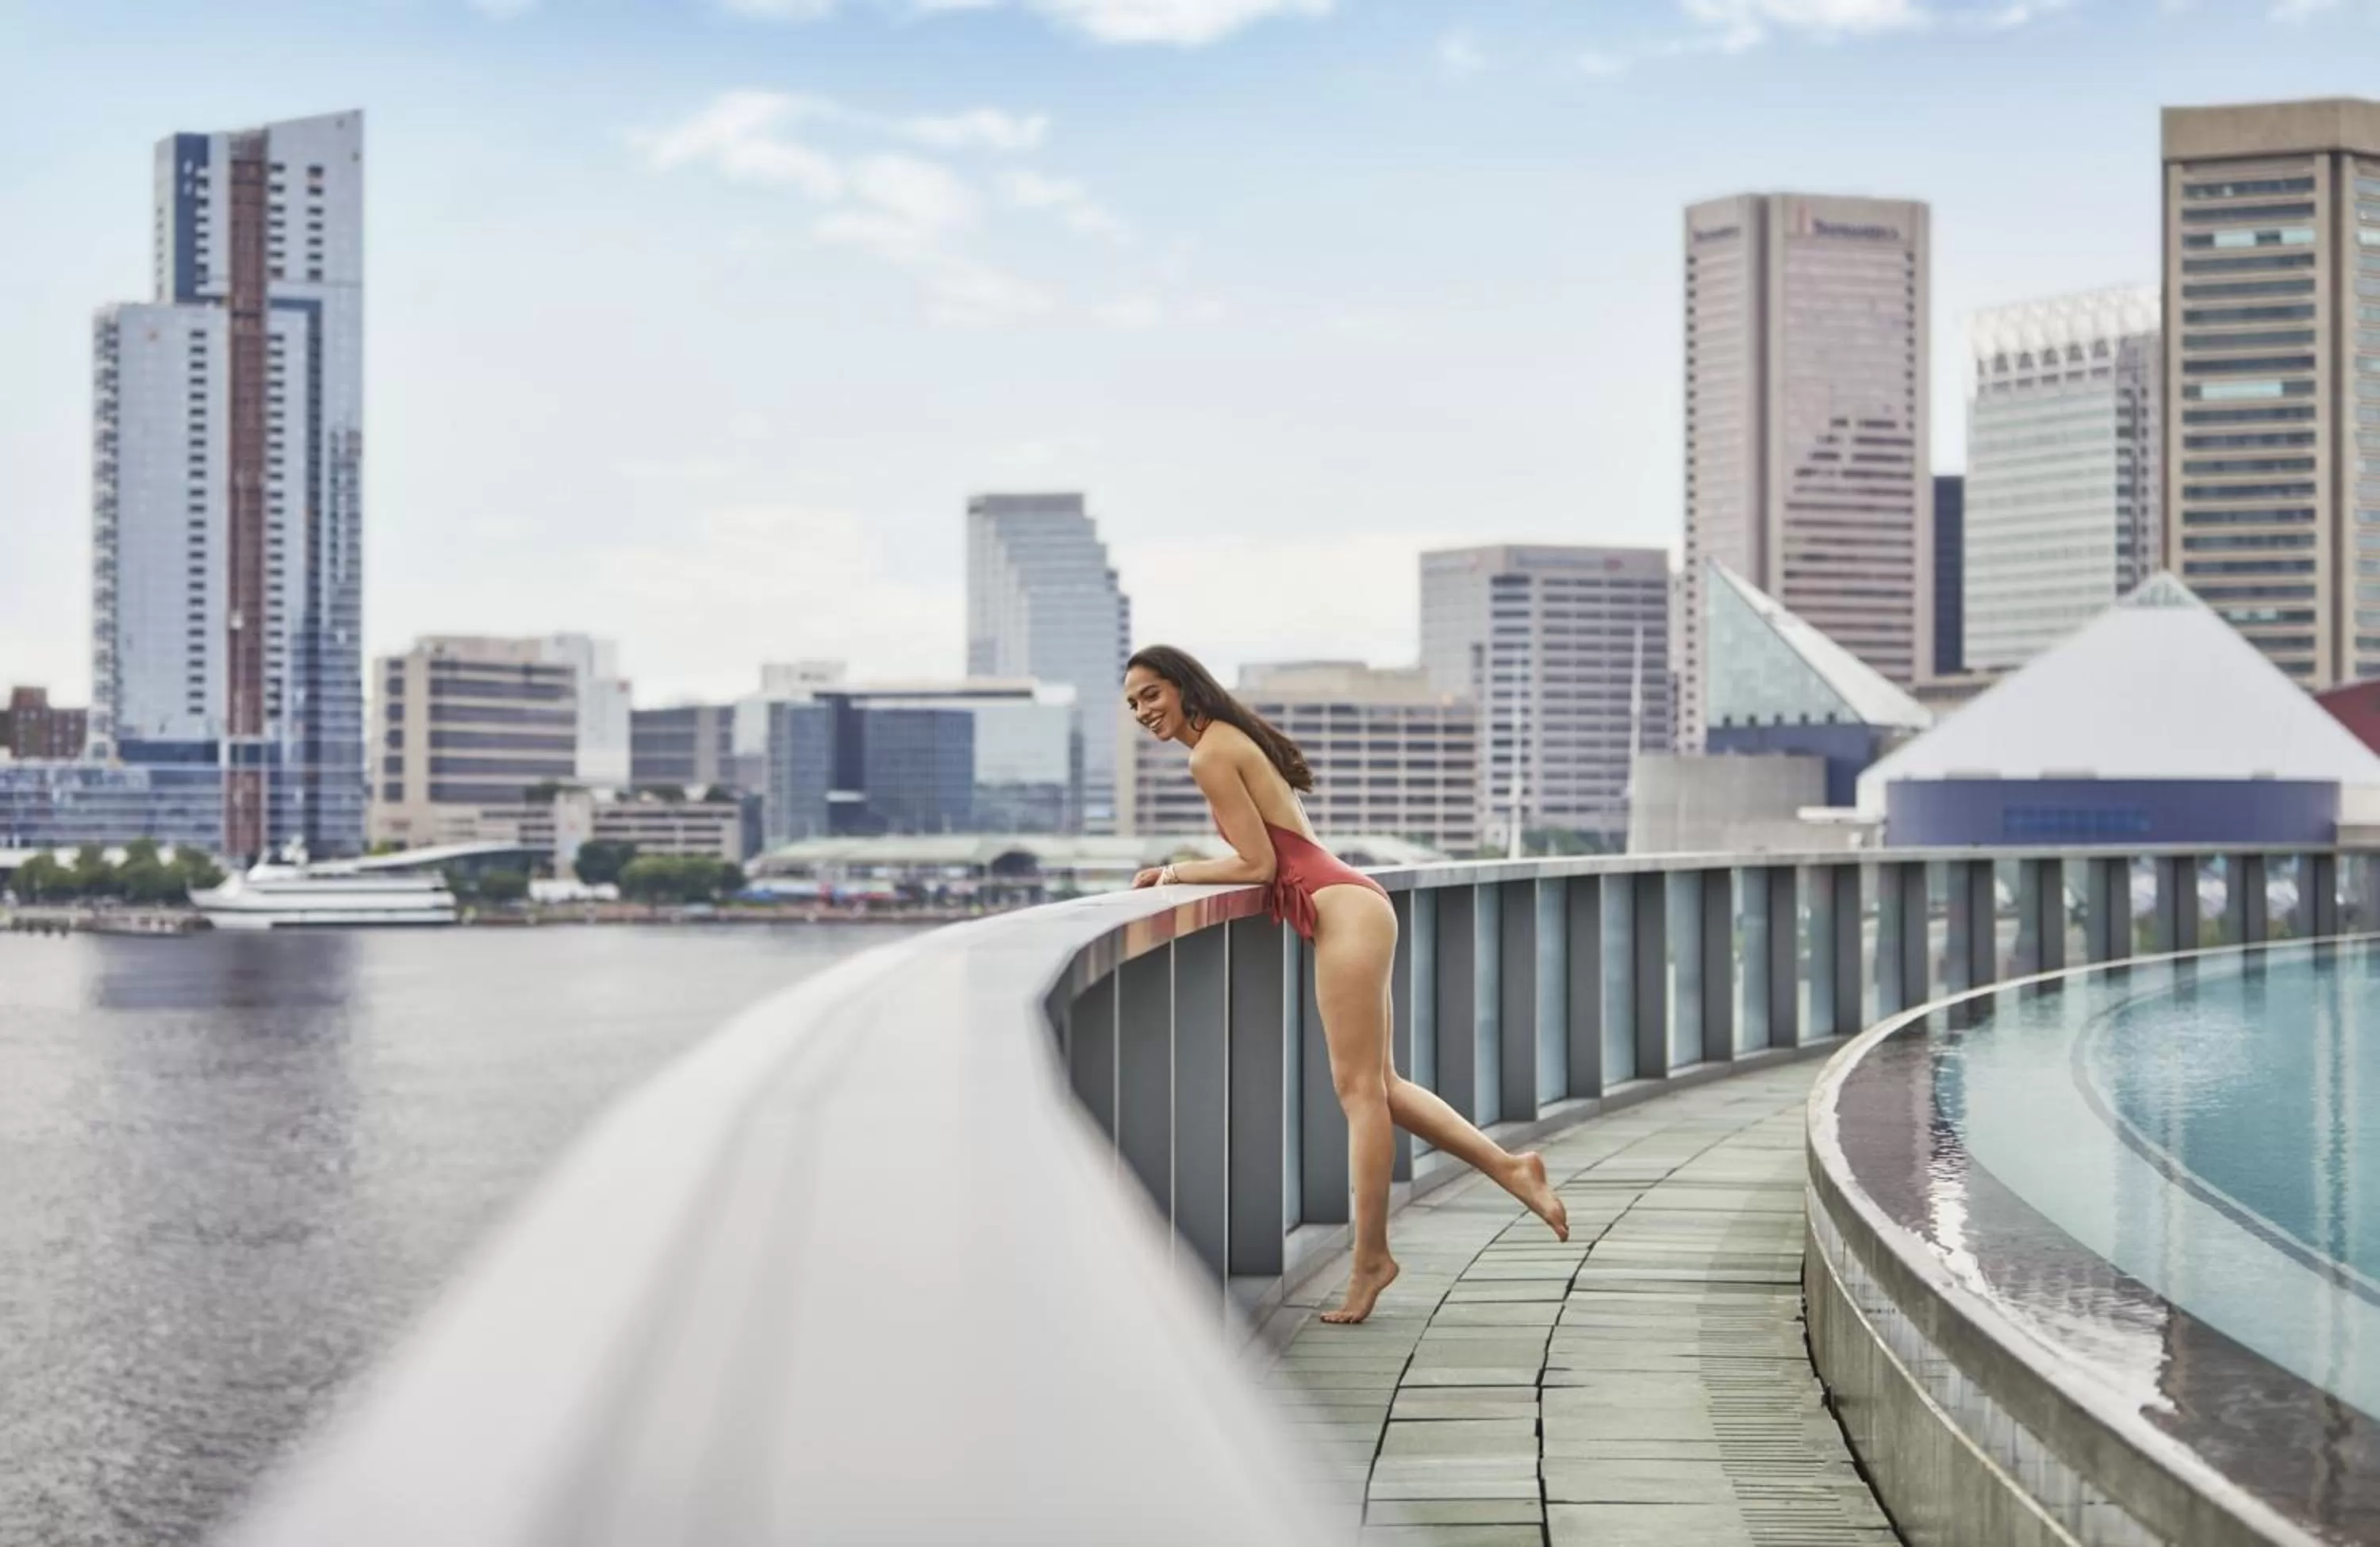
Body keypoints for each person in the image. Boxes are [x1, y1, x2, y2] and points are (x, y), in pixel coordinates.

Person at [1123, 645, 1568, 1325]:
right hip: (1350, 904)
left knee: (1360, 1092)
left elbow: (1260, 864)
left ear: (1183, 688)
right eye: (1132, 703)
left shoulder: (1210, 752)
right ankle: (1513, 1169)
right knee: (1381, 1086)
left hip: (1342, 910)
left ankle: (1370, 1261)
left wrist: (1173, 875)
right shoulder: (1228, 739)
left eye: (1151, 694)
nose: (1143, 711)